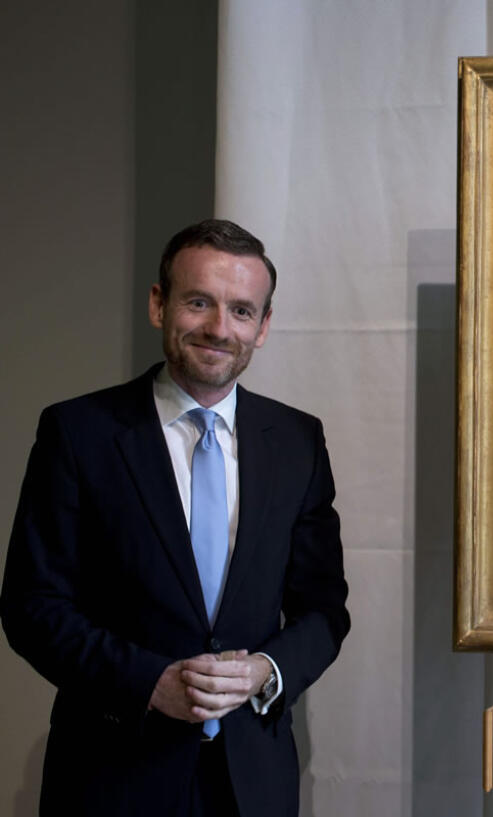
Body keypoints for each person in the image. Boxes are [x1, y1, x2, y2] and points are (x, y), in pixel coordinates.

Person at [1, 219, 350, 816]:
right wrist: (147, 682)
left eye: (242, 311)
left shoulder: (298, 441)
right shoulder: (78, 433)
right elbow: (33, 607)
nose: (220, 329)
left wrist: (267, 670)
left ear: (263, 327)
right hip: (112, 776)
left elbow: (323, 608)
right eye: (199, 303)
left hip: (253, 781)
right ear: (158, 304)